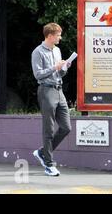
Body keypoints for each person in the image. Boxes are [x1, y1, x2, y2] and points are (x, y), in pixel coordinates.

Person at [31, 23, 71, 176]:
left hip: (59, 90)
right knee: (48, 129)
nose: (60, 37)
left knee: (66, 128)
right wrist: (55, 67)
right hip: (46, 91)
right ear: (50, 35)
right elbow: (38, 74)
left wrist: (64, 67)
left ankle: (42, 152)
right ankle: (49, 164)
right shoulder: (38, 52)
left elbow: (59, 74)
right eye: (58, 35)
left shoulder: (57, 50)